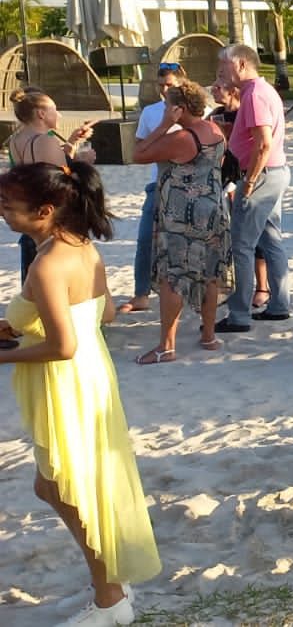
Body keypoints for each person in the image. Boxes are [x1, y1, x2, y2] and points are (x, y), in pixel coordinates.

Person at [0, 161, 161, 624]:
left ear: (44, 210)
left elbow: (62, 345)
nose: (3, 213)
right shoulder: (81, 246)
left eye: (8, 206)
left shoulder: (47, 263)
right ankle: (111, 584)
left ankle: (111, 598)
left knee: (69, 488)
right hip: (90, 374)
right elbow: (103, 313)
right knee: (61, 485)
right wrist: (20, 326)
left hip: (64, 382)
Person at [130, 80, 230, 364]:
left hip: (181, 214)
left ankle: (166, 346)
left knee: (172, 276)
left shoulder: (182, 138)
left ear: (180, 109)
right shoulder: (214, 130)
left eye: (168, 106)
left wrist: (164, 125)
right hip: (212, 208)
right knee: (209, 271)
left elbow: (138, 154)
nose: (165, 110)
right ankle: (208, 336)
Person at [215, 44, 292, 333]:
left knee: (242, 246)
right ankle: (279, 304)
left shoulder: (255, 94)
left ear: (242, 64)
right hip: (272, 173)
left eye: (224, 66)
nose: (221, 72)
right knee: (271, 240)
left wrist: (249, 182)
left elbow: (263, 143)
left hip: (261, 175)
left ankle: (239, 315)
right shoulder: (258, 91)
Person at [7, 88, 97, 281]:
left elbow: (40, 170)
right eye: (54, 110)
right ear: (41, 114)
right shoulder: (45, 140)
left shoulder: (16, 140)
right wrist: (83, 163)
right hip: (53, 222)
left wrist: (72, 142)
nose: (59, 115)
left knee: (33, 281)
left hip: (31, 217)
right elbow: (61, 181)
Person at [118, 62, 186, 316]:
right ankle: (141, 293)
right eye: (161, 85)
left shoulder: (200, 110)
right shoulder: (151, 112)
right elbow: (138, 149)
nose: (164, 90)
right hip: (158, 181)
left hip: (189, 183)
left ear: (181, 84)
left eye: (169, 85)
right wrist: (164, 127)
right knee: (146, 238)